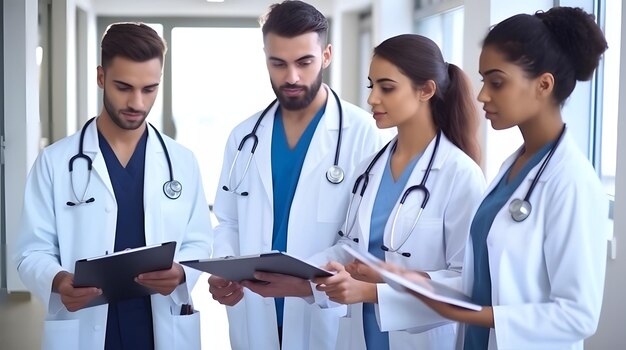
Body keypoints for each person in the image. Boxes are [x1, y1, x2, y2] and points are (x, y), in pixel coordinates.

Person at [382, 7, 609, 350]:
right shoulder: (514, 168)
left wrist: (470, 315)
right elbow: (484, 282)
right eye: (484, 80)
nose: (482, 95)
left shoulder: (572, 181)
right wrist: (415, 282)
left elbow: (578, 316)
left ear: (543, 85)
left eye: (496, 82)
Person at [13, 22, 212, 350]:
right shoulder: (54, 162)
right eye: (124, 87)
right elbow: (31, 251)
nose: (137, 102)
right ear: (101, 77)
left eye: (149, 89)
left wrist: (180, 273)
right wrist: (60, 281)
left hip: (158, 324)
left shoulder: (182, 161)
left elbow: (199, 241)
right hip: (86, 325)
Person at [208, 1, 383, 349]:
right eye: (278, 63)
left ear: (327, 55)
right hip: (254, 308)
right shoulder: (244, 137)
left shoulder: (362, 133)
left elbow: (363, 238)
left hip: (324, 311)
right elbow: (227, 220)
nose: (291, 77)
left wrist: (300, 276)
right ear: (265, 58)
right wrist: (225, 270)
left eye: (305, 62)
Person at [310, 34, 486, 349]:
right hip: (361, 333)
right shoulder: (369, 168)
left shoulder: (460, 175)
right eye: (371, 86)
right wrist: (300, 272)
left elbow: (465, 283)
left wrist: (371, 292)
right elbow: (351, 247)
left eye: (386, 88)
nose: (372, 99)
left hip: (423, 338)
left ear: (426, 90)